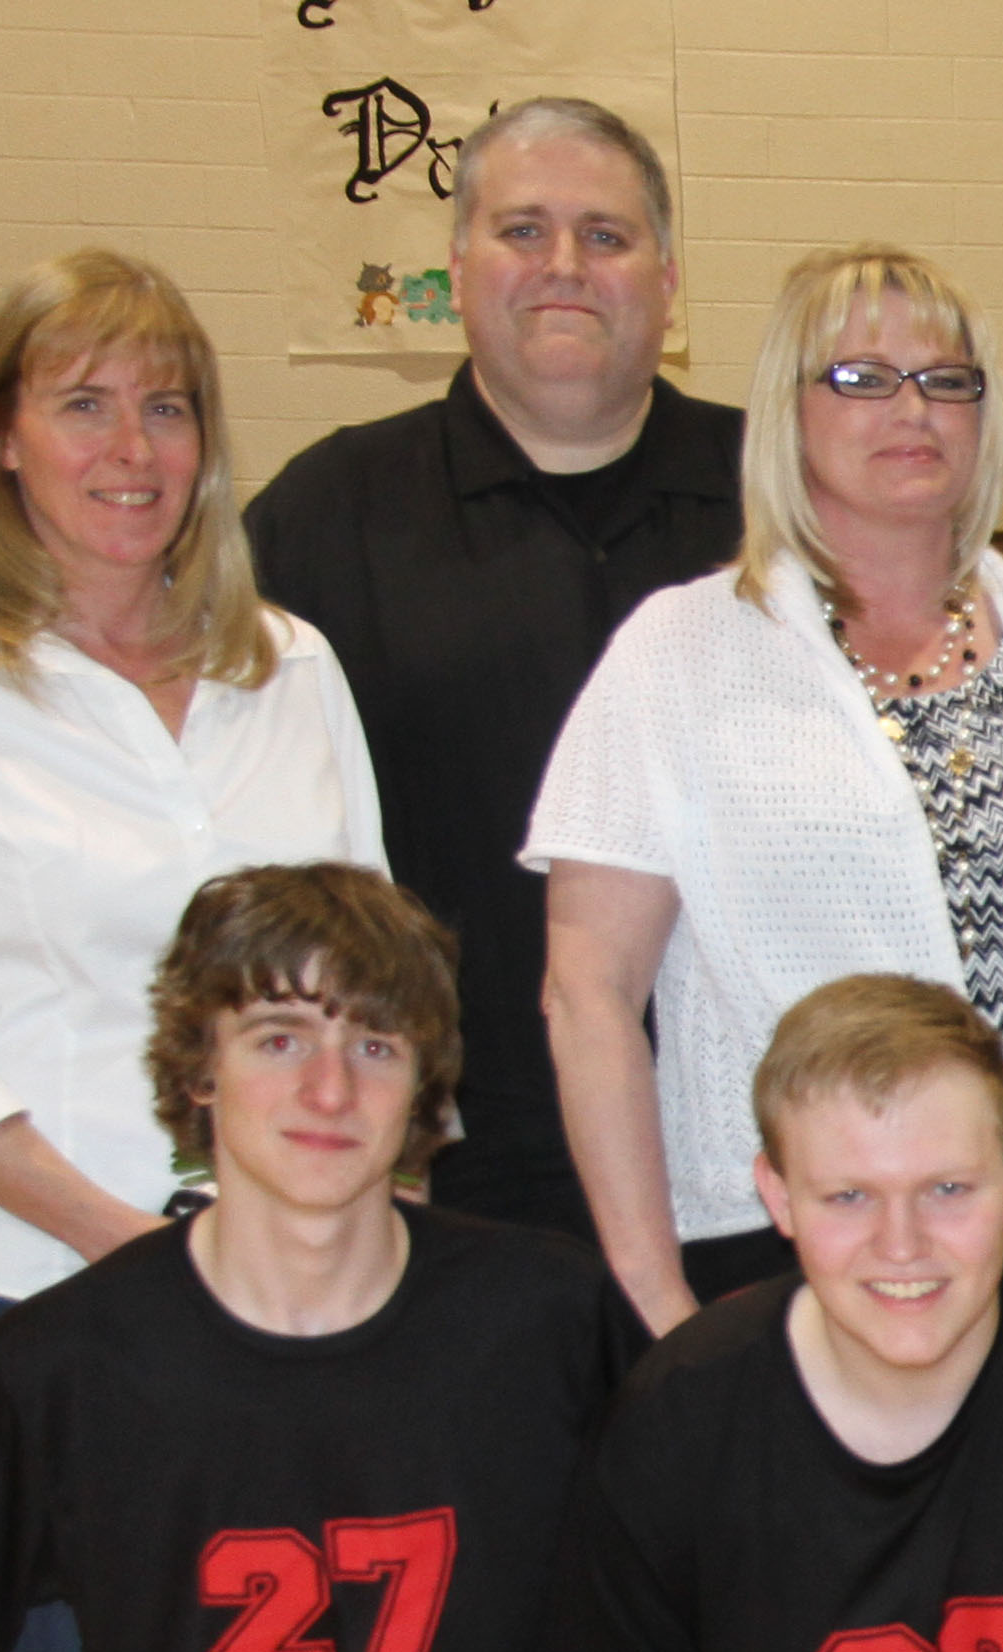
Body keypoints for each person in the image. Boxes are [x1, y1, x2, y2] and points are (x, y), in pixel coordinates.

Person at [529, 245, 1003, 1337]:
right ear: (785, 409)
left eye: (947, 377)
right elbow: (587, 995)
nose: (913, 406)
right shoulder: (680, 651)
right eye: (861, 375)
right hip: (798, 1247)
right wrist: (658, 1298)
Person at [0, 249, 387, 1513]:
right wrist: (124, 1246)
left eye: (166, 406)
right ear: (0, 439)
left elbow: (378, 992)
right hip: (38, 1289)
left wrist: (359, 1228)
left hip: (298, 1288)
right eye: (84, 403)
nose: (132, 447)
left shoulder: (292, 666)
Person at [0, 864, 642, 1652]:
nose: (331, 1091)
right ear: (200, 1069)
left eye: (375, 1045)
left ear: (422, 1088)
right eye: (280, 1040)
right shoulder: (65, 1362)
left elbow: (700, 1588)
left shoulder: (549, 1319)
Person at [250, 97, 743, 1246]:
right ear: (458, 268)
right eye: (523, 231)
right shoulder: (327, 518)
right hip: (450, 1172)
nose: (563, 266)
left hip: (756, 1159)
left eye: (605, 237)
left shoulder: (785, 494)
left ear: (669, 284)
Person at [548, 974, 1003, 1652]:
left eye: (947, 1190)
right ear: (779, 1198)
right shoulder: (675, 1425)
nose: (902, 1244)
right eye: (849, 1196)